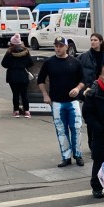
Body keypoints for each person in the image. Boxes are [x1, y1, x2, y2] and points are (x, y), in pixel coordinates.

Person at [38, 36, 86, 167]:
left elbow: (83, 80)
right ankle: (66, 156)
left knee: (76, 128)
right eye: (56, 46)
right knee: (61, 130)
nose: (58, 48)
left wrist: (77, 88)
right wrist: (45, 95)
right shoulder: (49, 62)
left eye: (60, 46)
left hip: (73, 102)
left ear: (66, 47)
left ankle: (78, 154)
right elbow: (40, 80)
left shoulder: (75, 62)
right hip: (57, 102)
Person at [82, 64, 104, 199]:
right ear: (100, 76)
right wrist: (98, 128)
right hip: (100, 133)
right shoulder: (93, 92)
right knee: (99, 160)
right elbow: (87, 114)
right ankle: (96, 187)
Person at [1, 33, 34, 117]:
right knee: (24, 94)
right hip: (23, 74)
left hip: (12, 75)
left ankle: (16, 111)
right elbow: (31, 63)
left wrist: (11, 65)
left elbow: (4, 64)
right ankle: (27, 111)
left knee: (15, 94)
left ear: (11, 43)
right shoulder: (26, 51)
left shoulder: (9, 52)